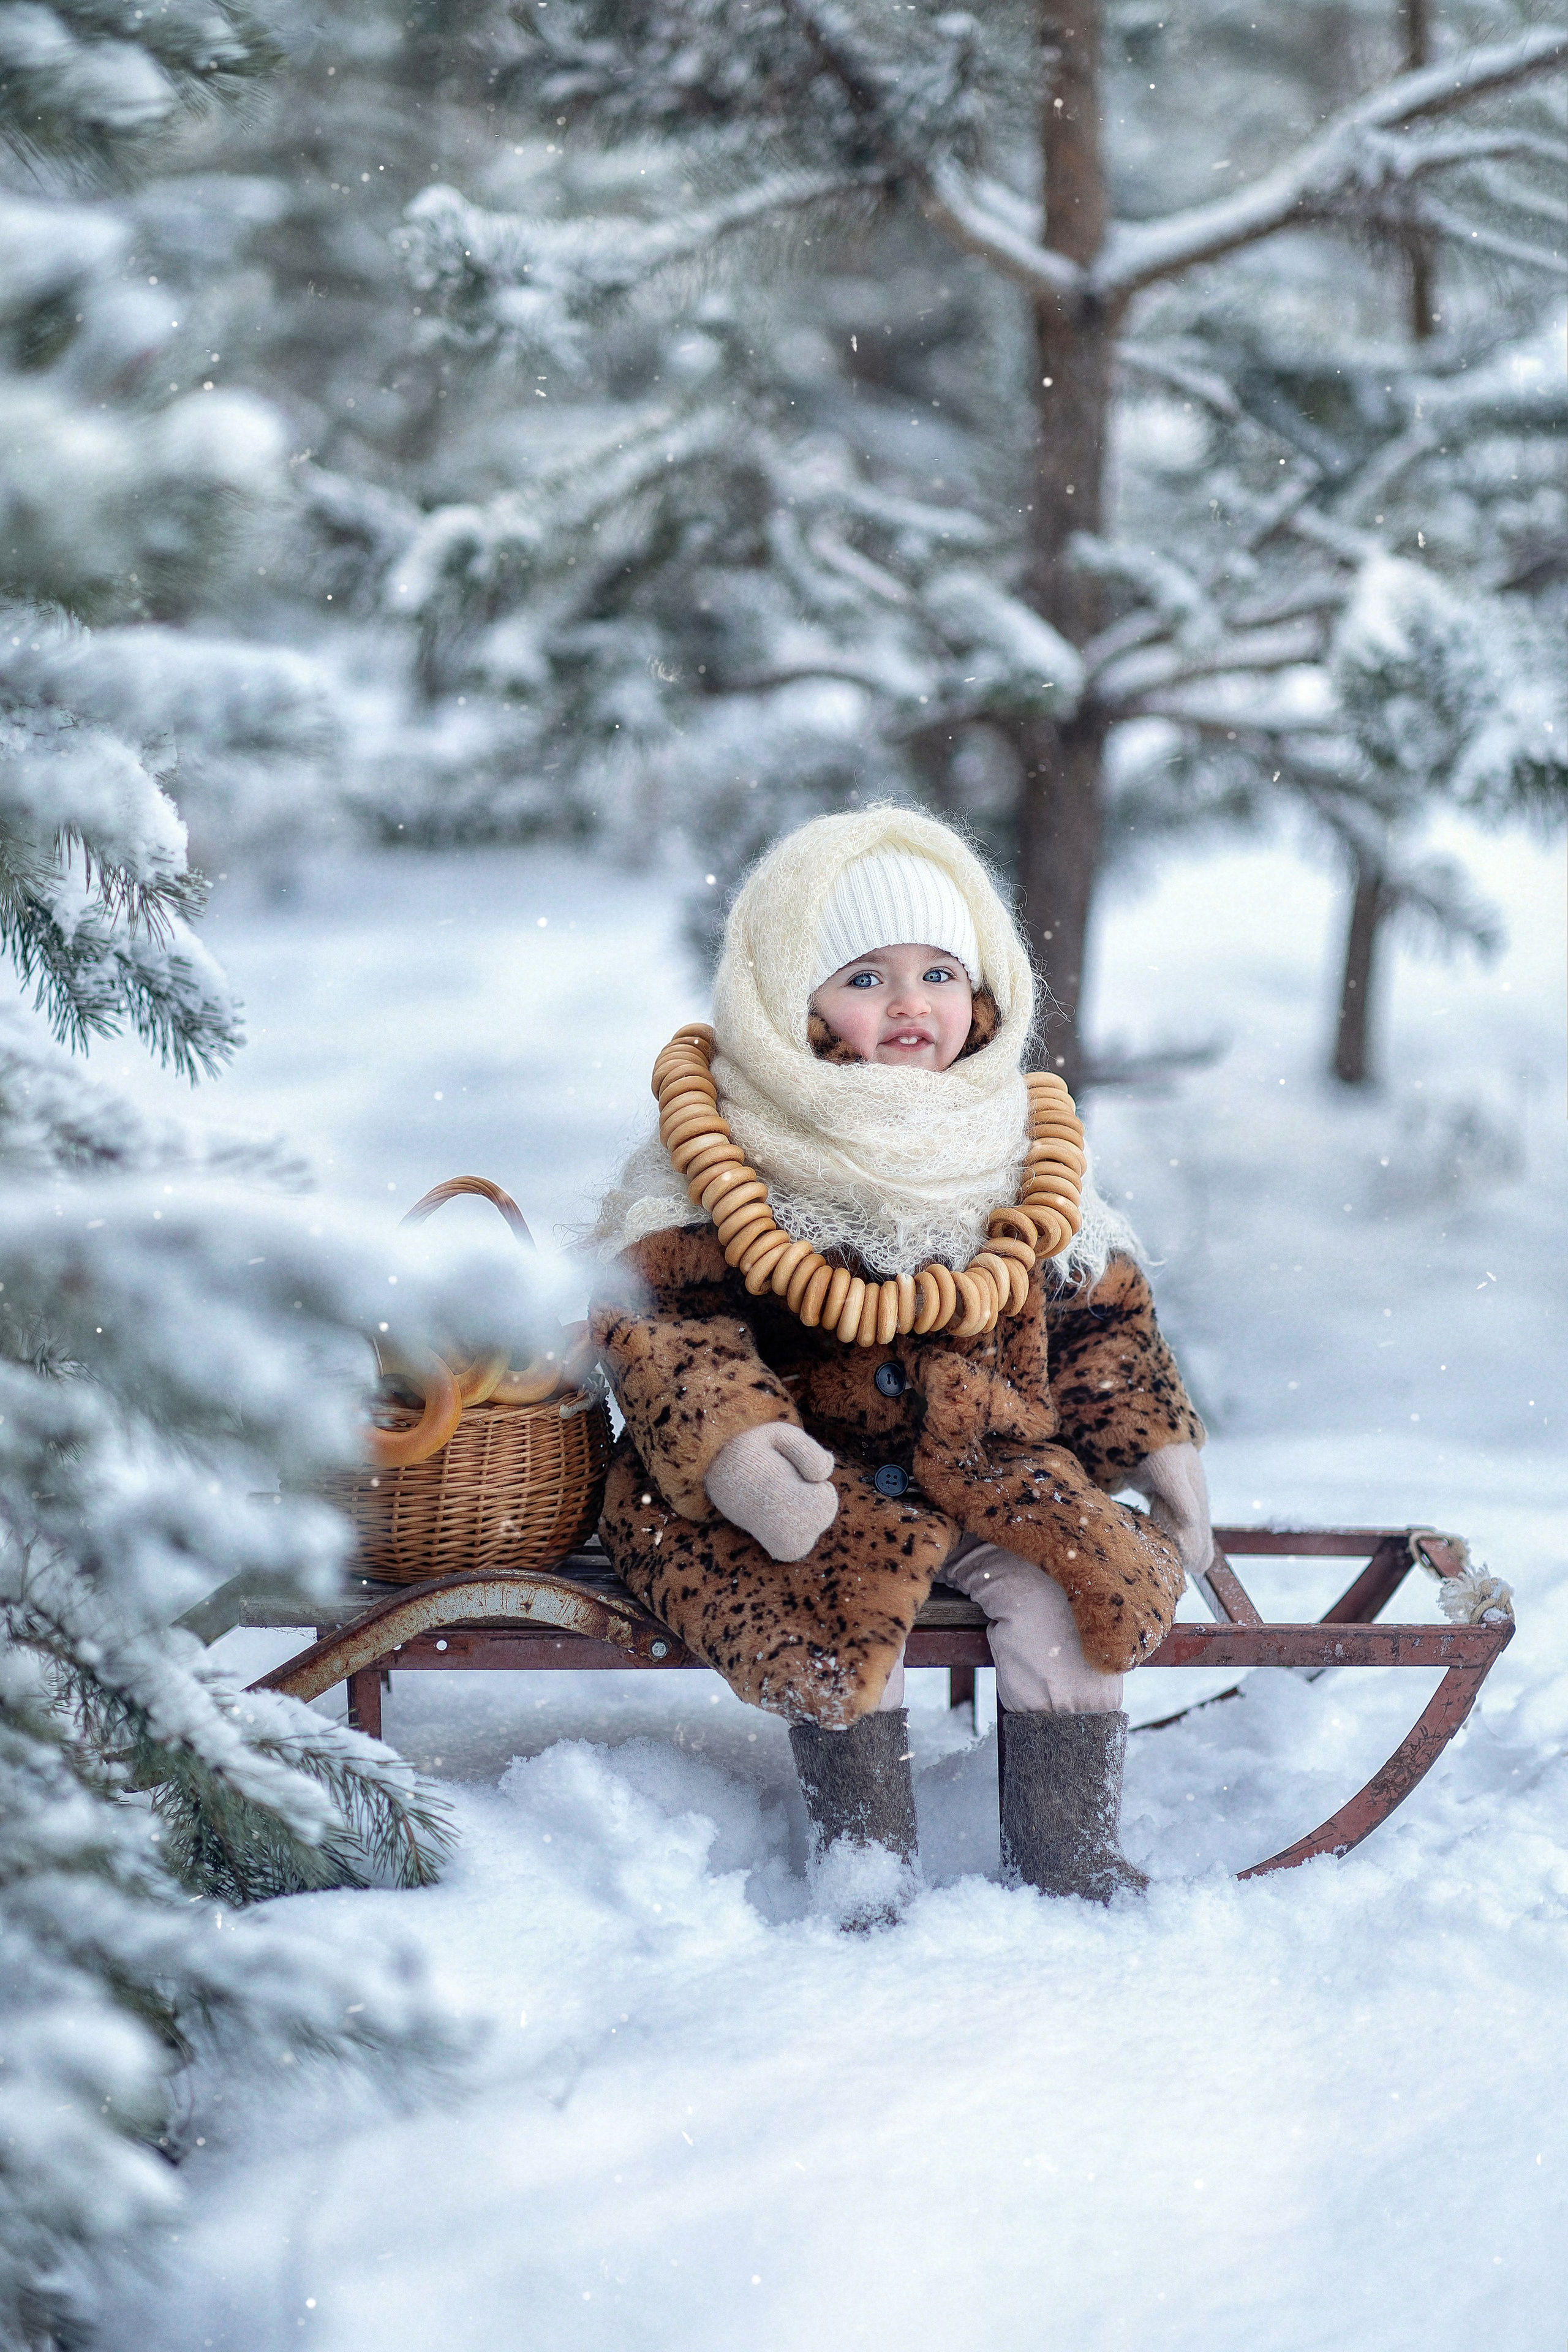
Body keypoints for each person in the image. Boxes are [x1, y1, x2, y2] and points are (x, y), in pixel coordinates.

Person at [589, 807, 1212, 1913]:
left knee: (1073, 1583)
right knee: (822, 1603)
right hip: (796, 1485)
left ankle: (1068, 1852)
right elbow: (664, 1317)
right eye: (865, 978)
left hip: (988, 1469)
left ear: (984, 992)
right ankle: (863, 1860)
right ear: (794, 1002)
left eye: (938, 972)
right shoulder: (735, 1138)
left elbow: (1095, 1317)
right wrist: (736, 1449)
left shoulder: (1018, 1140)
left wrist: (1156, 1446)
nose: (912, 1004)